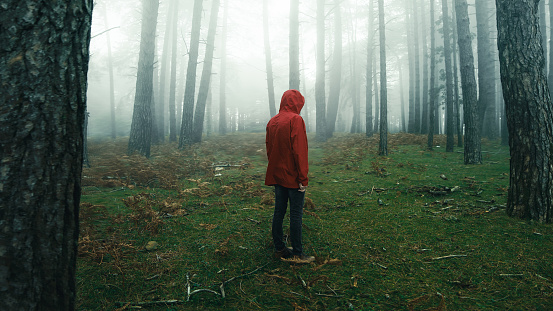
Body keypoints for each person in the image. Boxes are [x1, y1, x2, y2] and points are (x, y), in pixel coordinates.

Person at [265, 89, 315, 263]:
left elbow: (269, 150)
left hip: (278, 176)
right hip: (293, 177)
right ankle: (298, 254)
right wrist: (303, 178)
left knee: (279, 211)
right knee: (295, 214)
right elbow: (299, 152)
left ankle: (279, 248)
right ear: (297, 103)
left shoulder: (272, 121)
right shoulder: (296, 120)